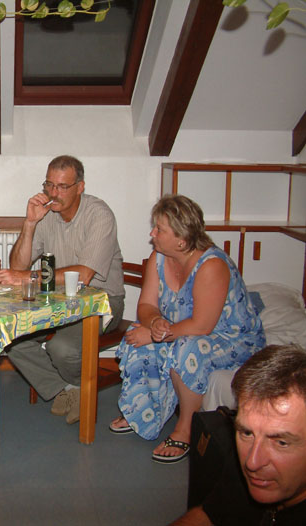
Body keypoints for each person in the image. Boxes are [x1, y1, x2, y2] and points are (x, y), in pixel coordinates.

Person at [110, 194, 265, 464]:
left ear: (181, 240)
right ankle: (142, 412)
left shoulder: (212, 265)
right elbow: (146, 305)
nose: (152, 234)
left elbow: (201, 326)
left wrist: (157, 335)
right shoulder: (159, 257)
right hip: (180, 327)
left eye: (159, 229)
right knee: (136, 336)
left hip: (231, 338)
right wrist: (154, 322)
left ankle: (185, 428)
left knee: (187, 348)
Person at [0, 155, 125, 425]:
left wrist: (25, 276)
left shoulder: (99, 214)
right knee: (9, 337)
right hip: (56, 300)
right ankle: (67, 389)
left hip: (101, 301)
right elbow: (18, 265)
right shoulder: (46, 214)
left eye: (62, 186)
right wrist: (29, 223)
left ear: (80, 187)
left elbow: (84, 275)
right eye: (49, 185)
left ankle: (79, 389)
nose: (53, 193)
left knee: (62, 348)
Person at [171, 344, 306, 525]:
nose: (251, 462)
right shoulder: (248, 463)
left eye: (281, 443)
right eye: (247, 433)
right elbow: (212, 512)